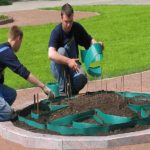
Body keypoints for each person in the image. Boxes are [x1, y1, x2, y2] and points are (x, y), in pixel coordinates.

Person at [0, 25, 54, 121]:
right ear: (18, 38)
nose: (20, 45)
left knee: (11, 94)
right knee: (8, 114)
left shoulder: (3, 48)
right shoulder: (7, 52)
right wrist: (43, 86)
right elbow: (23, 72)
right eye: (21, 42)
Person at [48, 3, 103, 96]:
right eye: (66, 21)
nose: (69, 24)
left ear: (73, 17)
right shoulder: (56, 32)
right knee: (61, 51)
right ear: (61, 17)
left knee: (83, 78)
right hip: (58, 68)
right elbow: (51, 54)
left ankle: (71, 93)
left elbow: (89, 40)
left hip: (74, 67)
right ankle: (62, 91)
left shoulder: (76, 27)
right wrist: (69, 61)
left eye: (71, 21)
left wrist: (97, 45)